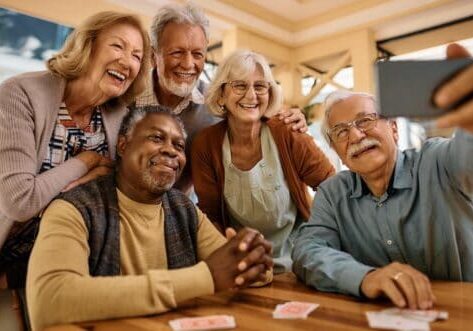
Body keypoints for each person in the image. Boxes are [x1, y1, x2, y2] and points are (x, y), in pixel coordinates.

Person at [26, 107, 273, 331]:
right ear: (123, 146)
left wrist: (254, 261)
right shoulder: (72, 208)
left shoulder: (184, 208)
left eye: (179, 145)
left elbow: (233, 270)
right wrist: (204, 277)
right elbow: (51, 299)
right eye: (156, 138)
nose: (170, 150)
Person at [292, 44, 473, 311]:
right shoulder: (333, 193)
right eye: (341, 132)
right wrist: (364, 277)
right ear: (338, 154)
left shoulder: (439, 162)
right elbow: (308, 250)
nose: (355, 136)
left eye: (365, 120)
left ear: (394, 129)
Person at [0, 11, 150, 326]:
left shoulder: (117, 116)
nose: (128, 61)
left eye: (137, 56)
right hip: (11, 257)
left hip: (76, 260)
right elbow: (19, 199)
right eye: (118, 47)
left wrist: (103, 173)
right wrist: (86, 162)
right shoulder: (20, 93)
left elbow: (119, 187)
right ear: (87, 46)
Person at [134, 3, 308, 193]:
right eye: (177, 52)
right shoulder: (125, 98)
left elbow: (256, 116)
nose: (188, 64)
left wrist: (291, 119)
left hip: (182, 211)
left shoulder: (218, 101)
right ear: (153, 55)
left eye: (197, 54)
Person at [191, 50, 334, 274]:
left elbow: (331, 186)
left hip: (301, 260)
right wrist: (229, 257)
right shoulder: (205, 144)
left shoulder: (287, 131)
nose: (251, 96)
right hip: (243, 263)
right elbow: (211, 215)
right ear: (221, 94)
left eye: (259, 86)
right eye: (239, 85)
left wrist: (316, 239)